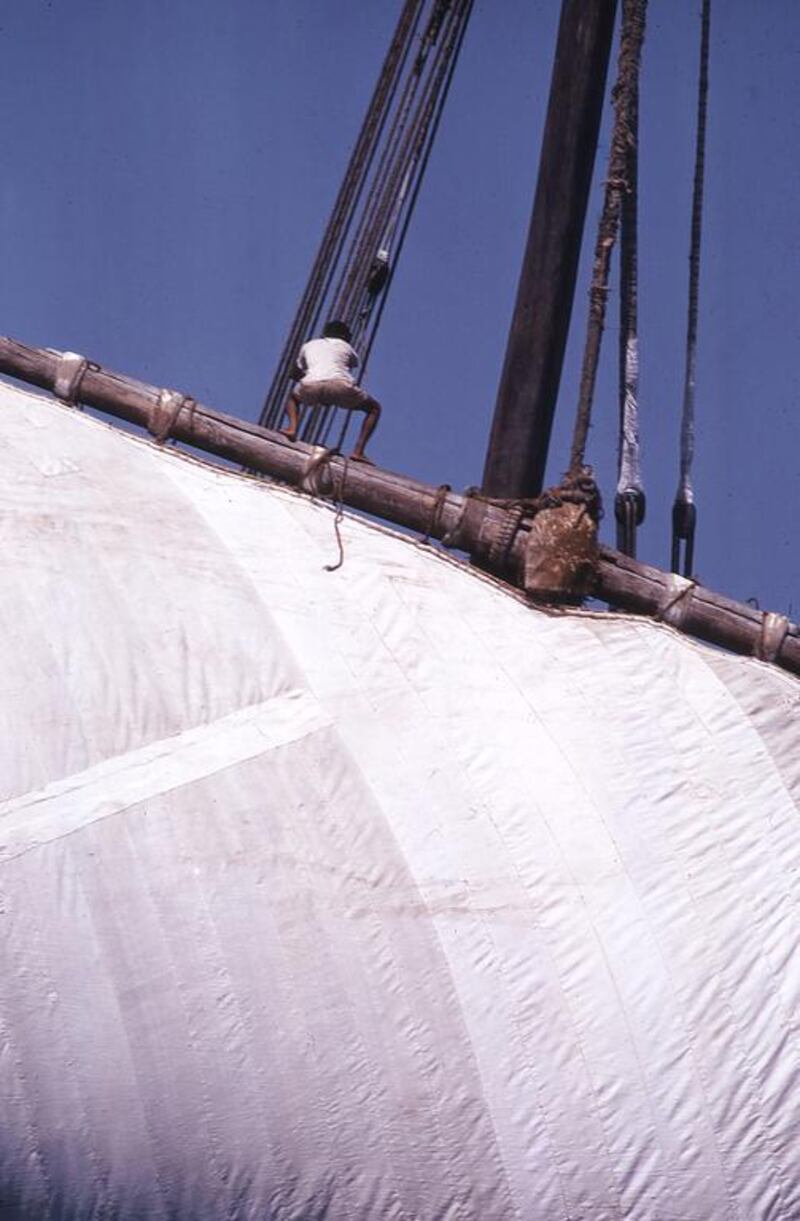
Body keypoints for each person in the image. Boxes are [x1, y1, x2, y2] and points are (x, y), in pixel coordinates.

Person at [281, 320, 381, 463]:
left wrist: (316, 389)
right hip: (340, 385)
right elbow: (350, 364)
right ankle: (358, 451)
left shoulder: (309, 344)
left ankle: (292, 428)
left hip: (311, 384)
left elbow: (294, 372)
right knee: (374, 408)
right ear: (344, 336)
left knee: (292, 399)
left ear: (325, 334)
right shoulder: (347, 347)